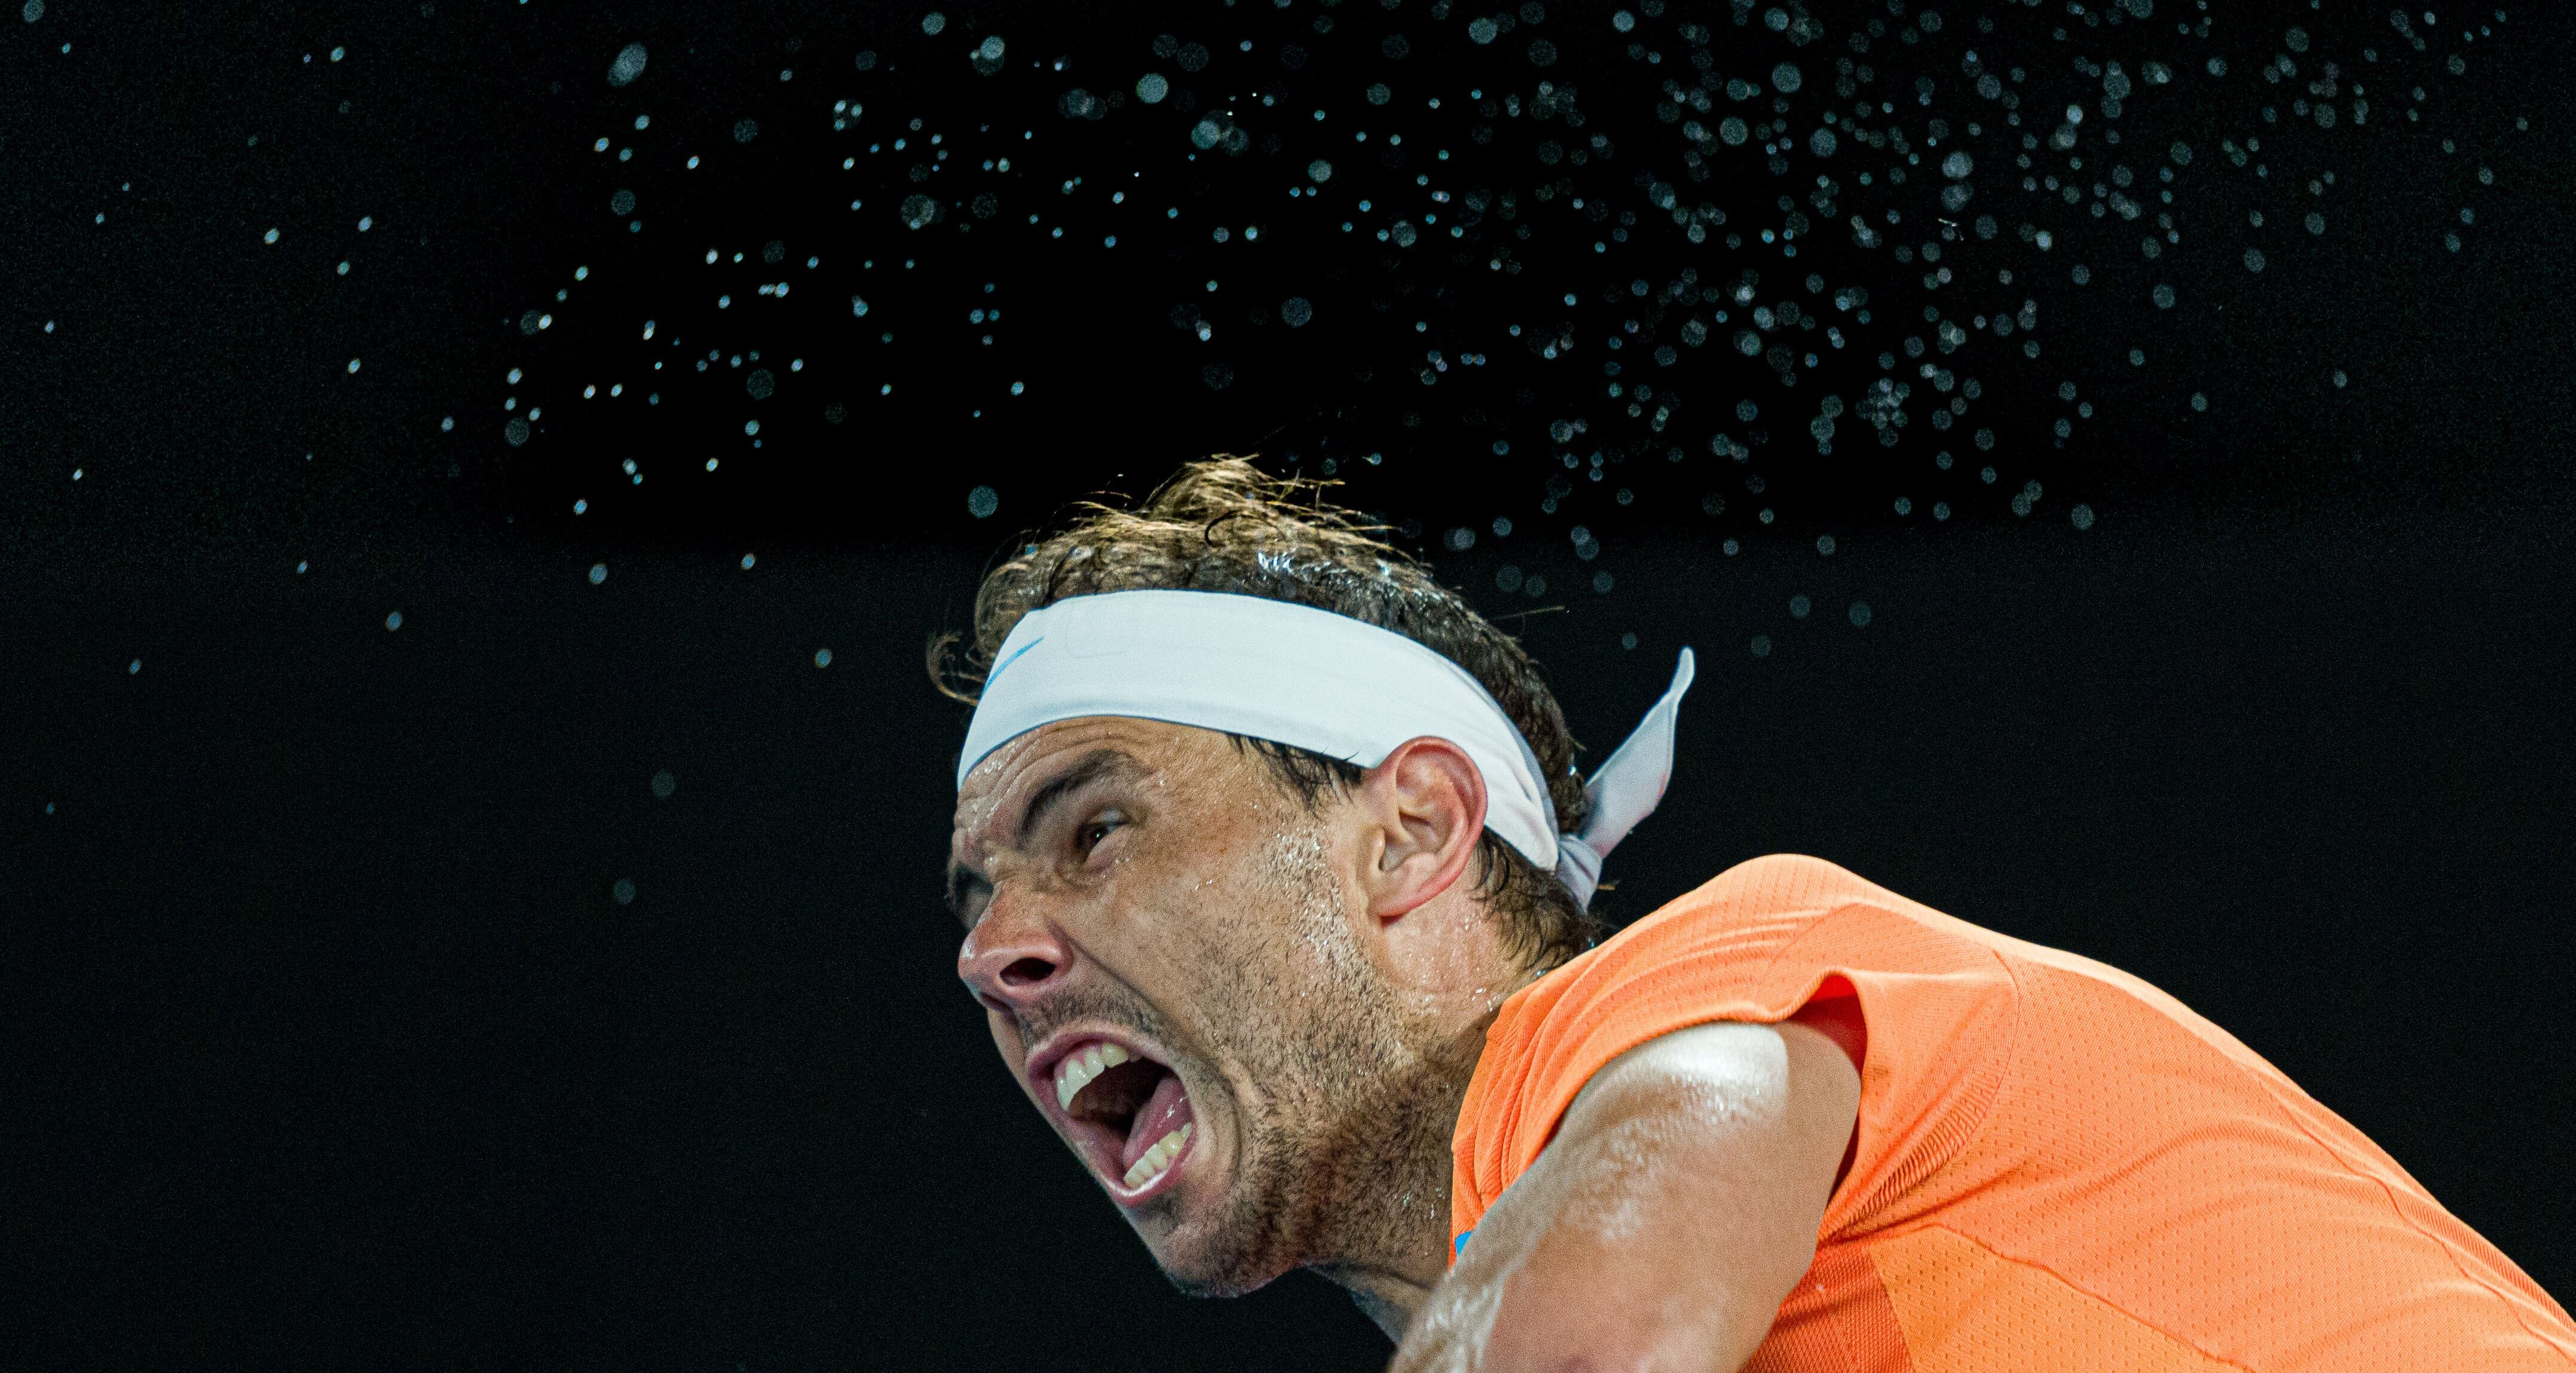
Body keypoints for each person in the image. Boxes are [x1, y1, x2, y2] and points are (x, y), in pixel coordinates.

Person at [934, 458, 2576, 1372]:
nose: (992, 947)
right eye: (980, 887)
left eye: (1095, 827)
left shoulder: (1714, 975)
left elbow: (1595, 1339)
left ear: (1411, 831)